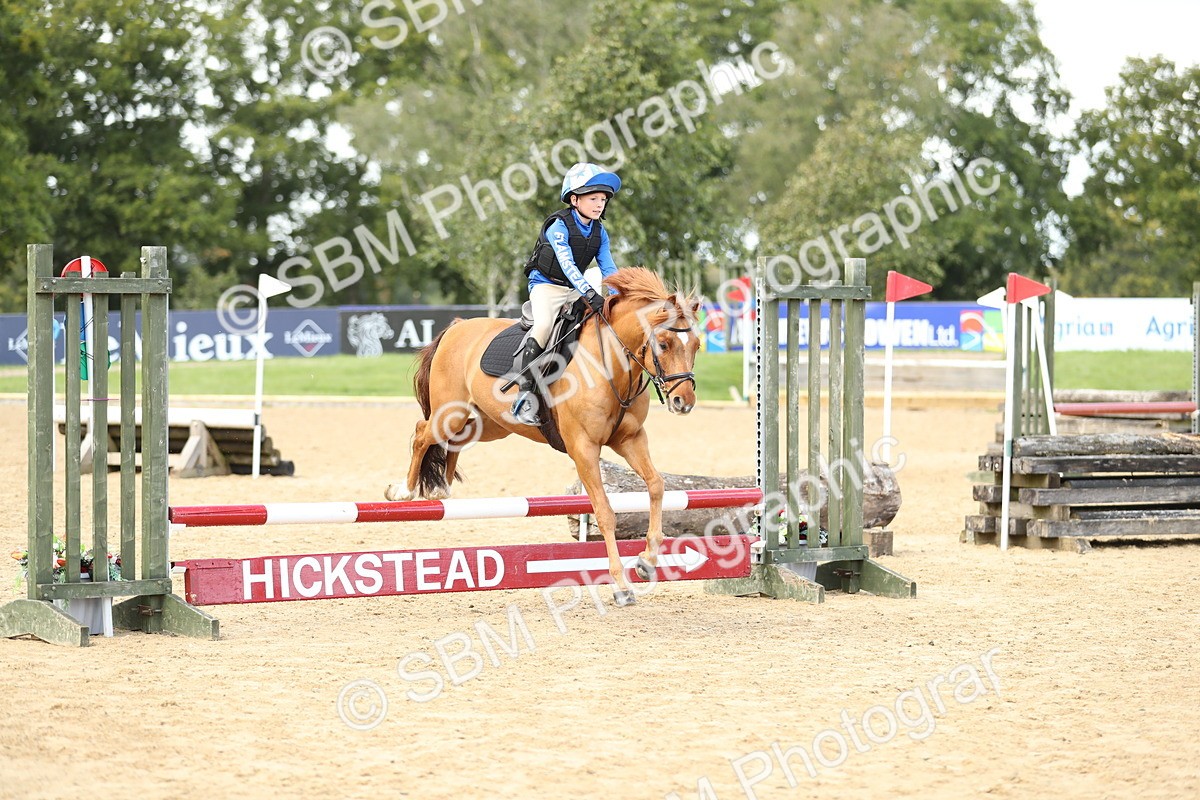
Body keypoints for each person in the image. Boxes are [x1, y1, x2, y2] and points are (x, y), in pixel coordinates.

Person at [510, 162, 621, 425]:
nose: (599, 204)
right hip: (546, 286)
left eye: (603, 199)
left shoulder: (600, 232)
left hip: (573, 289)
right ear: (574, 199)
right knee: (544, 326)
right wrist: (590, 293)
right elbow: (568, 265)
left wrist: (619, 295)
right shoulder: (558, 226)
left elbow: (608, 268)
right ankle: (524, 397)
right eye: (593, 198)